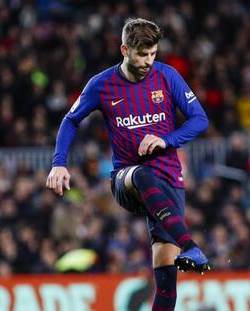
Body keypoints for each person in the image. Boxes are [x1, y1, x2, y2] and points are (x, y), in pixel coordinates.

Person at [46, 17, 210, 310]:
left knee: (166, 280)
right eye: (142, 54)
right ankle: (191, 245)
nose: (149, 60)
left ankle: (183, 248)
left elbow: (200, 119)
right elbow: (71, 120)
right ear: (124, 49)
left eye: (153, 53)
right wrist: (59, 163)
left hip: (169, 179)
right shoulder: (102, 84)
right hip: (126, 179)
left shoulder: (167, 76)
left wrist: (166, 141)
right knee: (142, 173)